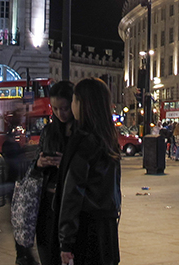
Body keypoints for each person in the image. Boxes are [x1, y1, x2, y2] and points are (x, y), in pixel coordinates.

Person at [57, 78, 121, 265]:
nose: (71, 105)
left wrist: (65, 242)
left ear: (82, 104)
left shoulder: (83, 142)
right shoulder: (108, 139)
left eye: (74, 100)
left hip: (86, 230)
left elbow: (73, 193)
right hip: (107, 228)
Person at [32, 81, 75, 265]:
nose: (60, 114)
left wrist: (64, 164)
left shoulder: (81, 132)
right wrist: (39, 163)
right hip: (48, 203)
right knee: (48, 255)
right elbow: (33, 169)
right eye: (56, 109)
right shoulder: (49, 131)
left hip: (70, 202)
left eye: (65, 108)